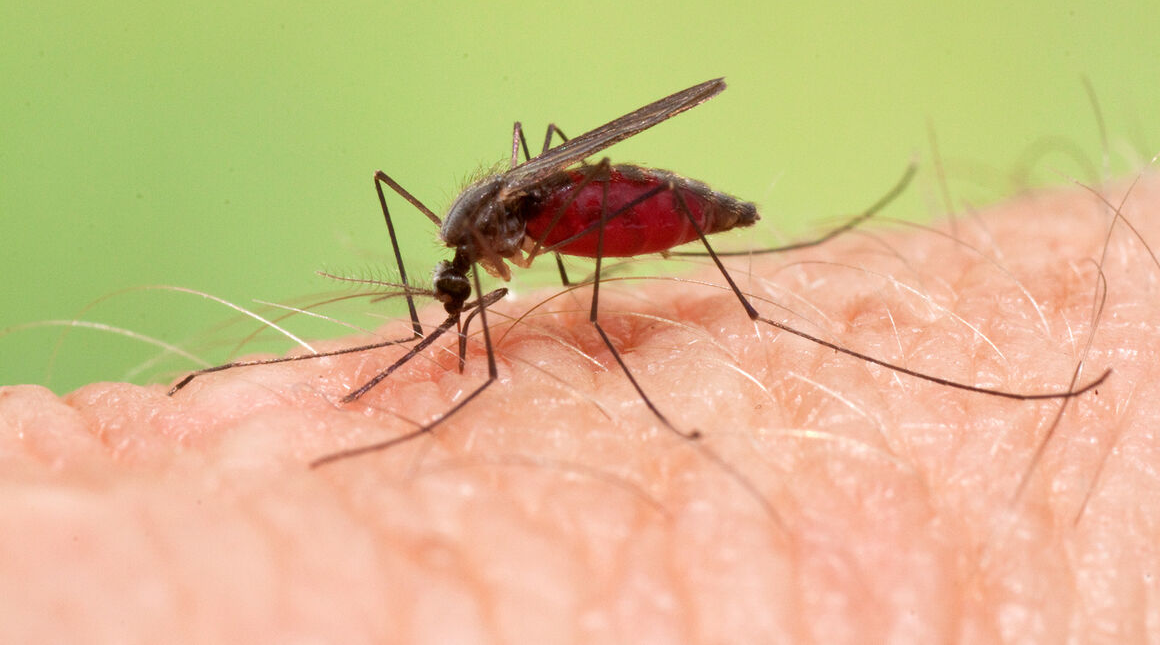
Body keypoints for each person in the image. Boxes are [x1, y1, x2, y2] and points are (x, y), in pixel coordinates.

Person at [1, 175, 1153, 642]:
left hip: (596, 209)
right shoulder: (473, 246)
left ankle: (693, 315)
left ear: (465, 266)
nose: (452, 304)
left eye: (447, 298)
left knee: (587, 292)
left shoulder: (496, 247)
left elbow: (532, 229)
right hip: (557, 211)